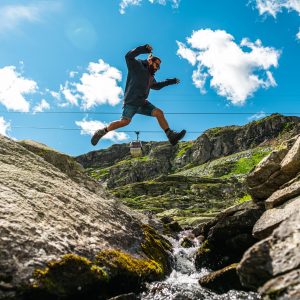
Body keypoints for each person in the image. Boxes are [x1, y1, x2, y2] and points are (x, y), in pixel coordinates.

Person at [91, 44, 186, 146]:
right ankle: (102, 131)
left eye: (159, 67)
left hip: (142, 103)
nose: (158, 68)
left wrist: (171, 81)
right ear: (150, 61)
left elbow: (157, 86)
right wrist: (143, 49)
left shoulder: (150, 77)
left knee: (159, 113)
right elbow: (128, 56)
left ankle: (171, 136)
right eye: (157, 65)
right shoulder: (137, 65)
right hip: (131, 102)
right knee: (125, 122)